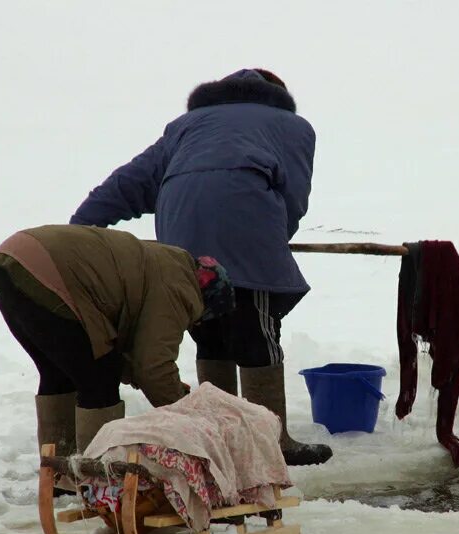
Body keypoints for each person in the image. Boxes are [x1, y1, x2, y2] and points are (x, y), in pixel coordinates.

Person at [69, 68, 332, 466]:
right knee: (257, 333)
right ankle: (273, 440)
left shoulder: (186, 127)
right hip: (247, 224)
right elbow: (293, 194)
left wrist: (83, 228)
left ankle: (221, 434)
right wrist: (275, 237)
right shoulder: (292, 126)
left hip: (181, 244)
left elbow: (133, 181)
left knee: (209, 327)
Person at [0, 224, 234, 456]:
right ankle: (97, 479)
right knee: (99, 379)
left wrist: (161, 384)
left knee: (60, 374)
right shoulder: (181, 287)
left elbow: (127, 349)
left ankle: (58, 474)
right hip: (49, 273)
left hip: (12, 262)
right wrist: (187, 415)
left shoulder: (164, 260)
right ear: (206, 302)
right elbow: (152, 367)